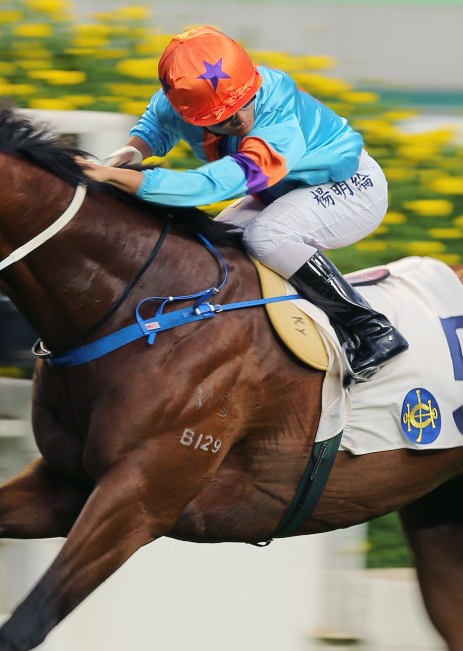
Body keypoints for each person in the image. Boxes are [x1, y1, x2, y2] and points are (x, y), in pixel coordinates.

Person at [76, 25, 408, 383]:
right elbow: (157, 126)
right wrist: (122, 156)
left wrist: (117, 178)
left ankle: (372, 329)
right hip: (282, 191)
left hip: (351, 186)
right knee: (214, 248)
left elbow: (212, 186)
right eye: (221, 118)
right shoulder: (175, 103)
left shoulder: (279, 115)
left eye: (245, 101)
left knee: (266, 237)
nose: (241, 119)